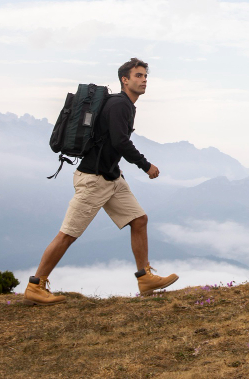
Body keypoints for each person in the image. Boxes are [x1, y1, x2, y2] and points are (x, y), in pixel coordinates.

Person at [24, 58, 179, 304]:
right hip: (94, 180)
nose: (144, 80)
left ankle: (145, 278)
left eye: (145, 76)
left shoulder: (125, 105)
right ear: (124, 80)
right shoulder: (120, 105)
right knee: (68, 234)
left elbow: (110, 143)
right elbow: (120, 142)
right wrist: (145, 165)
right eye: (138, 76)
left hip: (111, 177)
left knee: (139, 220)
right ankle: (36, 285)